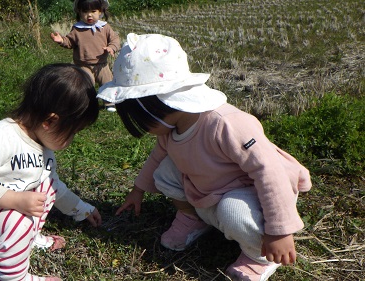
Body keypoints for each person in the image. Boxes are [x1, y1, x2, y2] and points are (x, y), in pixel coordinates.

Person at [97, 33, 312, 281]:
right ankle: (194, 217)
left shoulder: (226, 123)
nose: (144, 130)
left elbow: (269, 171)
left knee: (233, 211)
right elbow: (157, 158)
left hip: (249, 193)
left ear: (157, 106)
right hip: (209, 190)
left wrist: (279, 231)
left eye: (141, 120)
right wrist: (138, 190)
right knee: (164, 172)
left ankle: (258, 255)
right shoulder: (171, 128)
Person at [0, 63, 102, 281]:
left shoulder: (42, 147)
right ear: (50, 121)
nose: (71, 141)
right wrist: (15, 200)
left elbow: (55, 188)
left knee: (47, 186)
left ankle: (27, 239)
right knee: (17, 219)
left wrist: (81, 208)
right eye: (72, 133)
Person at [50, 0, 120, 112]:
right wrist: (62, 40)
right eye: (85, 12)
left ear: (100, 12)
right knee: (87, 86)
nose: (89, 15)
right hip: (83, 65)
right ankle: (88, 105)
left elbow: (115, 39)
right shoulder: (77, 29)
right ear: (79, 12)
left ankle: (109, 103)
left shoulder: (104, 27)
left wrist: (111, 47)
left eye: (93, 11)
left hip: (102, 64)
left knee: (108, 83)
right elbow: (70, 42)